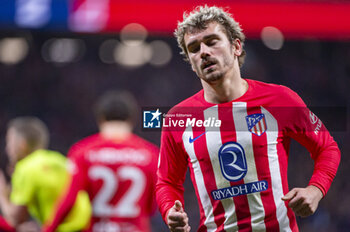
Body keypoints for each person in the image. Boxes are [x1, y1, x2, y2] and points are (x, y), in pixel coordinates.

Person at [156, 5, 341, 232]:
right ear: (192, 64)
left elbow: (327, 148)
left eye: (212, 41)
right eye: (194, 48)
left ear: (236, 46)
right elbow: (167, 182)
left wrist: (315, 190)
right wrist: (169, 211)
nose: (203, 51)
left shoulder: (280, 99)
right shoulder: (179, 118)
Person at [44, 91, 159, 232]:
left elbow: (69, 200)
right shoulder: (151, 154)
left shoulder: (82, 152)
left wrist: (48, 229)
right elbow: (152, 206)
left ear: (100, 118)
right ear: (132, 119)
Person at [0, 117, 91, 231]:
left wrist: (1, 192)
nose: (6, 149)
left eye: (9, 142)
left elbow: (15, 220)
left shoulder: (26, 168)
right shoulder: (59, 159)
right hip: (88, 226)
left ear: (22, 145)